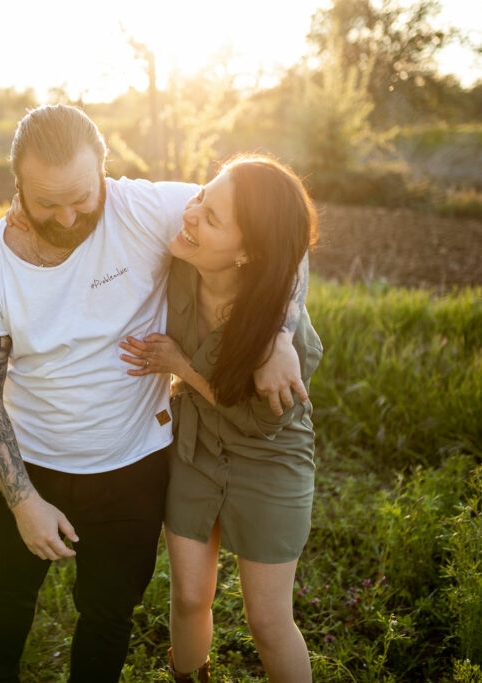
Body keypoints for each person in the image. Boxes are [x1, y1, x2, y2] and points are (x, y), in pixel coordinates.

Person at [0, 105, 308, 683]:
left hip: (137, 466)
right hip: (33, 465)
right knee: (9, 593)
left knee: (110, 612)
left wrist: (280, 332)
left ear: (104, 173)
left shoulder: (147, 210)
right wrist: (23, 502)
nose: (67, 216)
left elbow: (279, 226)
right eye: (46, 202)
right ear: (16, 184)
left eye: (81, 197)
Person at [118, 155, 321, 682]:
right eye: (199, 199)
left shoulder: (277, 331)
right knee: (188, 596)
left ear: (248, 253)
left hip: (269, 459)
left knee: (268, 622)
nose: (191, 216)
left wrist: (180, 366)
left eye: (211, 219)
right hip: (196, 446)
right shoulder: (182, 257)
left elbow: (260, 422)